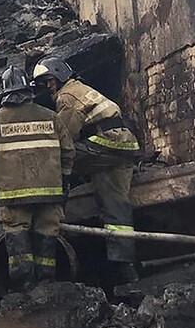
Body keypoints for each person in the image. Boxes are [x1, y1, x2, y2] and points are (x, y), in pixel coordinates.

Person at [31, 56, 141, 284]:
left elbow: (64, 137)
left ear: (60, 74)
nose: (48, 86)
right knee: (116, 206)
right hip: (124, 145)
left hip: (106, 143)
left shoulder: (67, 96)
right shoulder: (80, 89)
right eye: (45, 83)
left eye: (49, 80)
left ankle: (52, 205)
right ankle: (124, 267)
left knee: (58, 157)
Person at [0, 65, 74, 288]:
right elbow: (68, 152)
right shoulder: (51, 117)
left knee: (17, 237)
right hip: (50, 194)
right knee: (47, 237)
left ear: (5, 92)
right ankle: (48, 285)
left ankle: (24, 289)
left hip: (13, 197)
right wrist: (65, 180)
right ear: (28, 90)